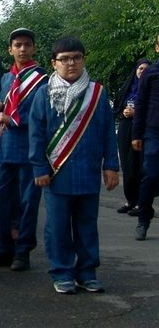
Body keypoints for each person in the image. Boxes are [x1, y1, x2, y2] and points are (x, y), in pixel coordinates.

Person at [29, 36, 119, 294]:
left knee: (87, 226)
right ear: (53, 63)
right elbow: (35, 134)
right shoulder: (43, 93)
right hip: (55, 174)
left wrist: (111, 166)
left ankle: (87, 272)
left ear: (84, 59)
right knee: (57, 227)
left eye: (76, 57)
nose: (71, 63)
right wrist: (39, 168)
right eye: (65, 59)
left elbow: (106, 134)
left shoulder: (97, 93)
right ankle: (62, 272)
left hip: (88, 172)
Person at [0, 28, 47, 272]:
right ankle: (3, 248)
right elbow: (6, 103)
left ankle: (23, 251)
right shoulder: (7, 78)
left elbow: (42, 114)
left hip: (30, 147)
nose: (22, 49)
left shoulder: (43, 79)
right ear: (10, 49)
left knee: (28, 202)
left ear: (34, 48)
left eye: (27, 44)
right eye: (17, 45)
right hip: (6, 147)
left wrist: (11, 118)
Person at [113, 60, 150, 214]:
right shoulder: (128, 87)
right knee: (127, 166)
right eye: (140, 68)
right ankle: (130, 201)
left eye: (146, 69)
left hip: (142, 129)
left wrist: (136, 113)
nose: (142, 71)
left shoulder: (151, 87)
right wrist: (123, 112)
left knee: (139, 166)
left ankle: (140, 203)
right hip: (125, 127)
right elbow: (117, 106)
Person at [131, 56, 159, 240]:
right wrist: (136, 134)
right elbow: (140, 104)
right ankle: (143, 218)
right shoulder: (151, 72)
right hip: (154, 132)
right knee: (151, 175)